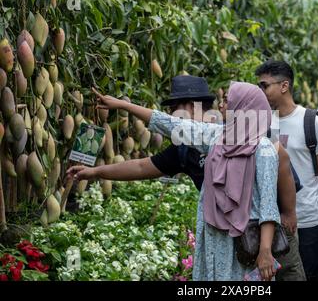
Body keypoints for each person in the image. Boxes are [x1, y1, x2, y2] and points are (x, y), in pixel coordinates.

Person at [68, 76, 305, 281]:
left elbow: (267, 206)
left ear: (244, 107)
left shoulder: (263, 149)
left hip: (246, 244)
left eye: (228, 101)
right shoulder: (217, 137)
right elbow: (170, 124)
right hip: (213, 239)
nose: (222, 106)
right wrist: (121, 105)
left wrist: (265, 250)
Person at [255, 60, 318, 280]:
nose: (261, 91)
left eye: (265, 85)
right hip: (274, 222)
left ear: (284, 86)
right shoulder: (262, 123)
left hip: (309, 219)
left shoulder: (311, 121)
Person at [218, 90, 306, 281]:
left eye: (227, 100)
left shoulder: (263, 133)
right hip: (245, 226)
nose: (221, 105)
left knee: (287, 270)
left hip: (273, 220)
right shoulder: (223, 134)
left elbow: (284, 166)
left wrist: (289, 212)